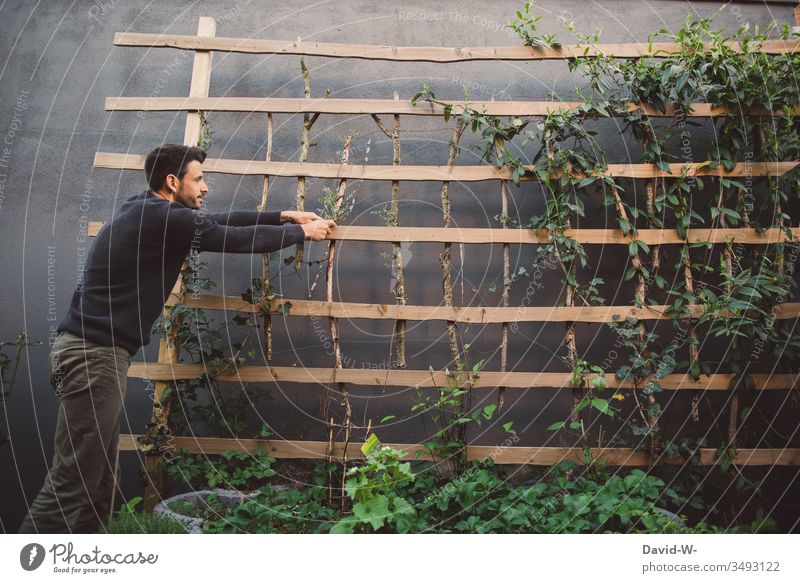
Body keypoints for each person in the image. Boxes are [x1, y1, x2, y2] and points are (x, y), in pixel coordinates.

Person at [18, 143, 336, 533]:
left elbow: (218, 221)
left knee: (98, 479)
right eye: (198, 179)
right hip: (92, 357)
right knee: (75, 479)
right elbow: (229, 238)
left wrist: (282, 215)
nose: (205, 187)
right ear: (172, 182)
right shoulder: (162, 217)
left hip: (91, 354)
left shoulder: (146, 208)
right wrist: (302, 232)